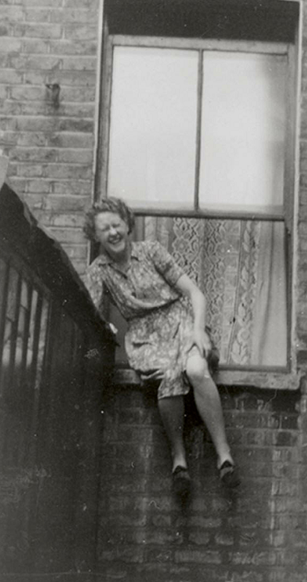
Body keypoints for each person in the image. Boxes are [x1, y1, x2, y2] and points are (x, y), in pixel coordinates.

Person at [82, 197, 239, 498]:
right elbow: (93, 317)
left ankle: (225, 456)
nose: (113, 232)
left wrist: (198, 331)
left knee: (195, 368)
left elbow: (195, 293)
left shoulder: (151, 251)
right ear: (95, 235)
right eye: (104, 229)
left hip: (181, 322)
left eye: (117, 225)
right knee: (168, 375)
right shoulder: (98, 271)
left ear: (127, 226)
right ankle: (178, 460)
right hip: (146, 338)